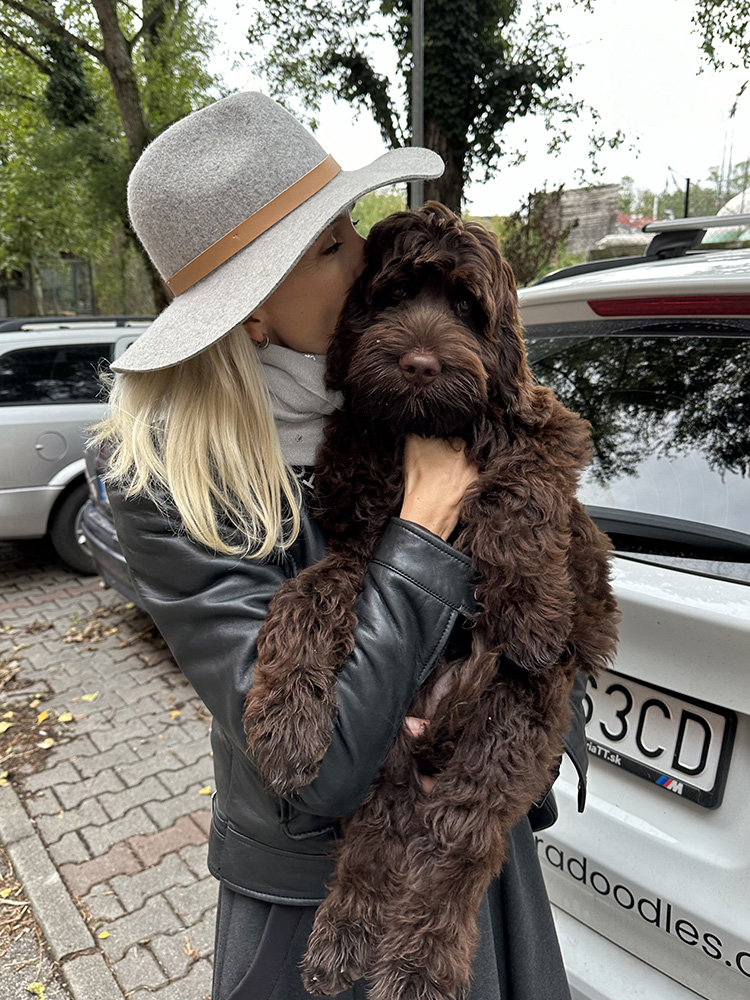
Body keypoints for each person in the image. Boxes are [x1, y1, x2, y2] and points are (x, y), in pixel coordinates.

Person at [96, 91, 587, 1000]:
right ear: (249, 314)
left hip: (472, 868)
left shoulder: (428, 395)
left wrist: (528, 735)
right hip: (306, 903)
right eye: (328, 249)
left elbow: (552, 609)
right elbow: (318, 768)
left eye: (348, 226)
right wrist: (422, 527)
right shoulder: (165, 483)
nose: (366, 257)